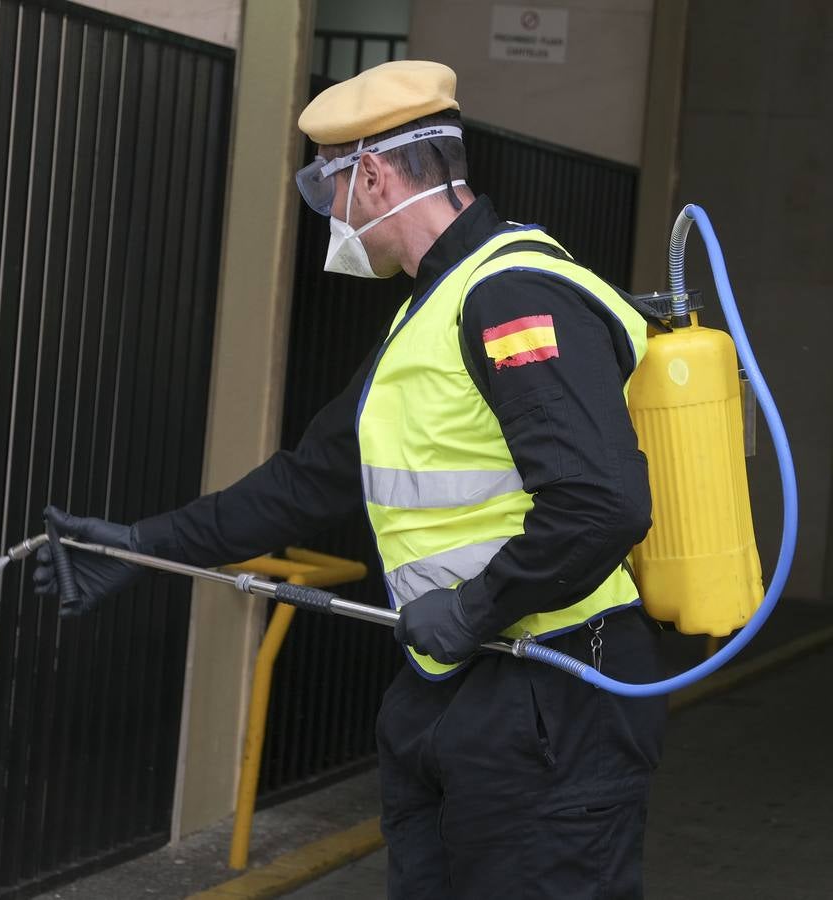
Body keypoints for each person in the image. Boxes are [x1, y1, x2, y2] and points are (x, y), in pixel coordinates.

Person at [34, 60, 665, 898]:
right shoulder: (429, 312)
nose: (329, 216)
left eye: (327, 190)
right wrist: (144, 548)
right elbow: (308, 480)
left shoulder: (511, 296)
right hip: (460, 689)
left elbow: (602, 502)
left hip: (551, 692)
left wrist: (476, 606)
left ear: (369, 175)